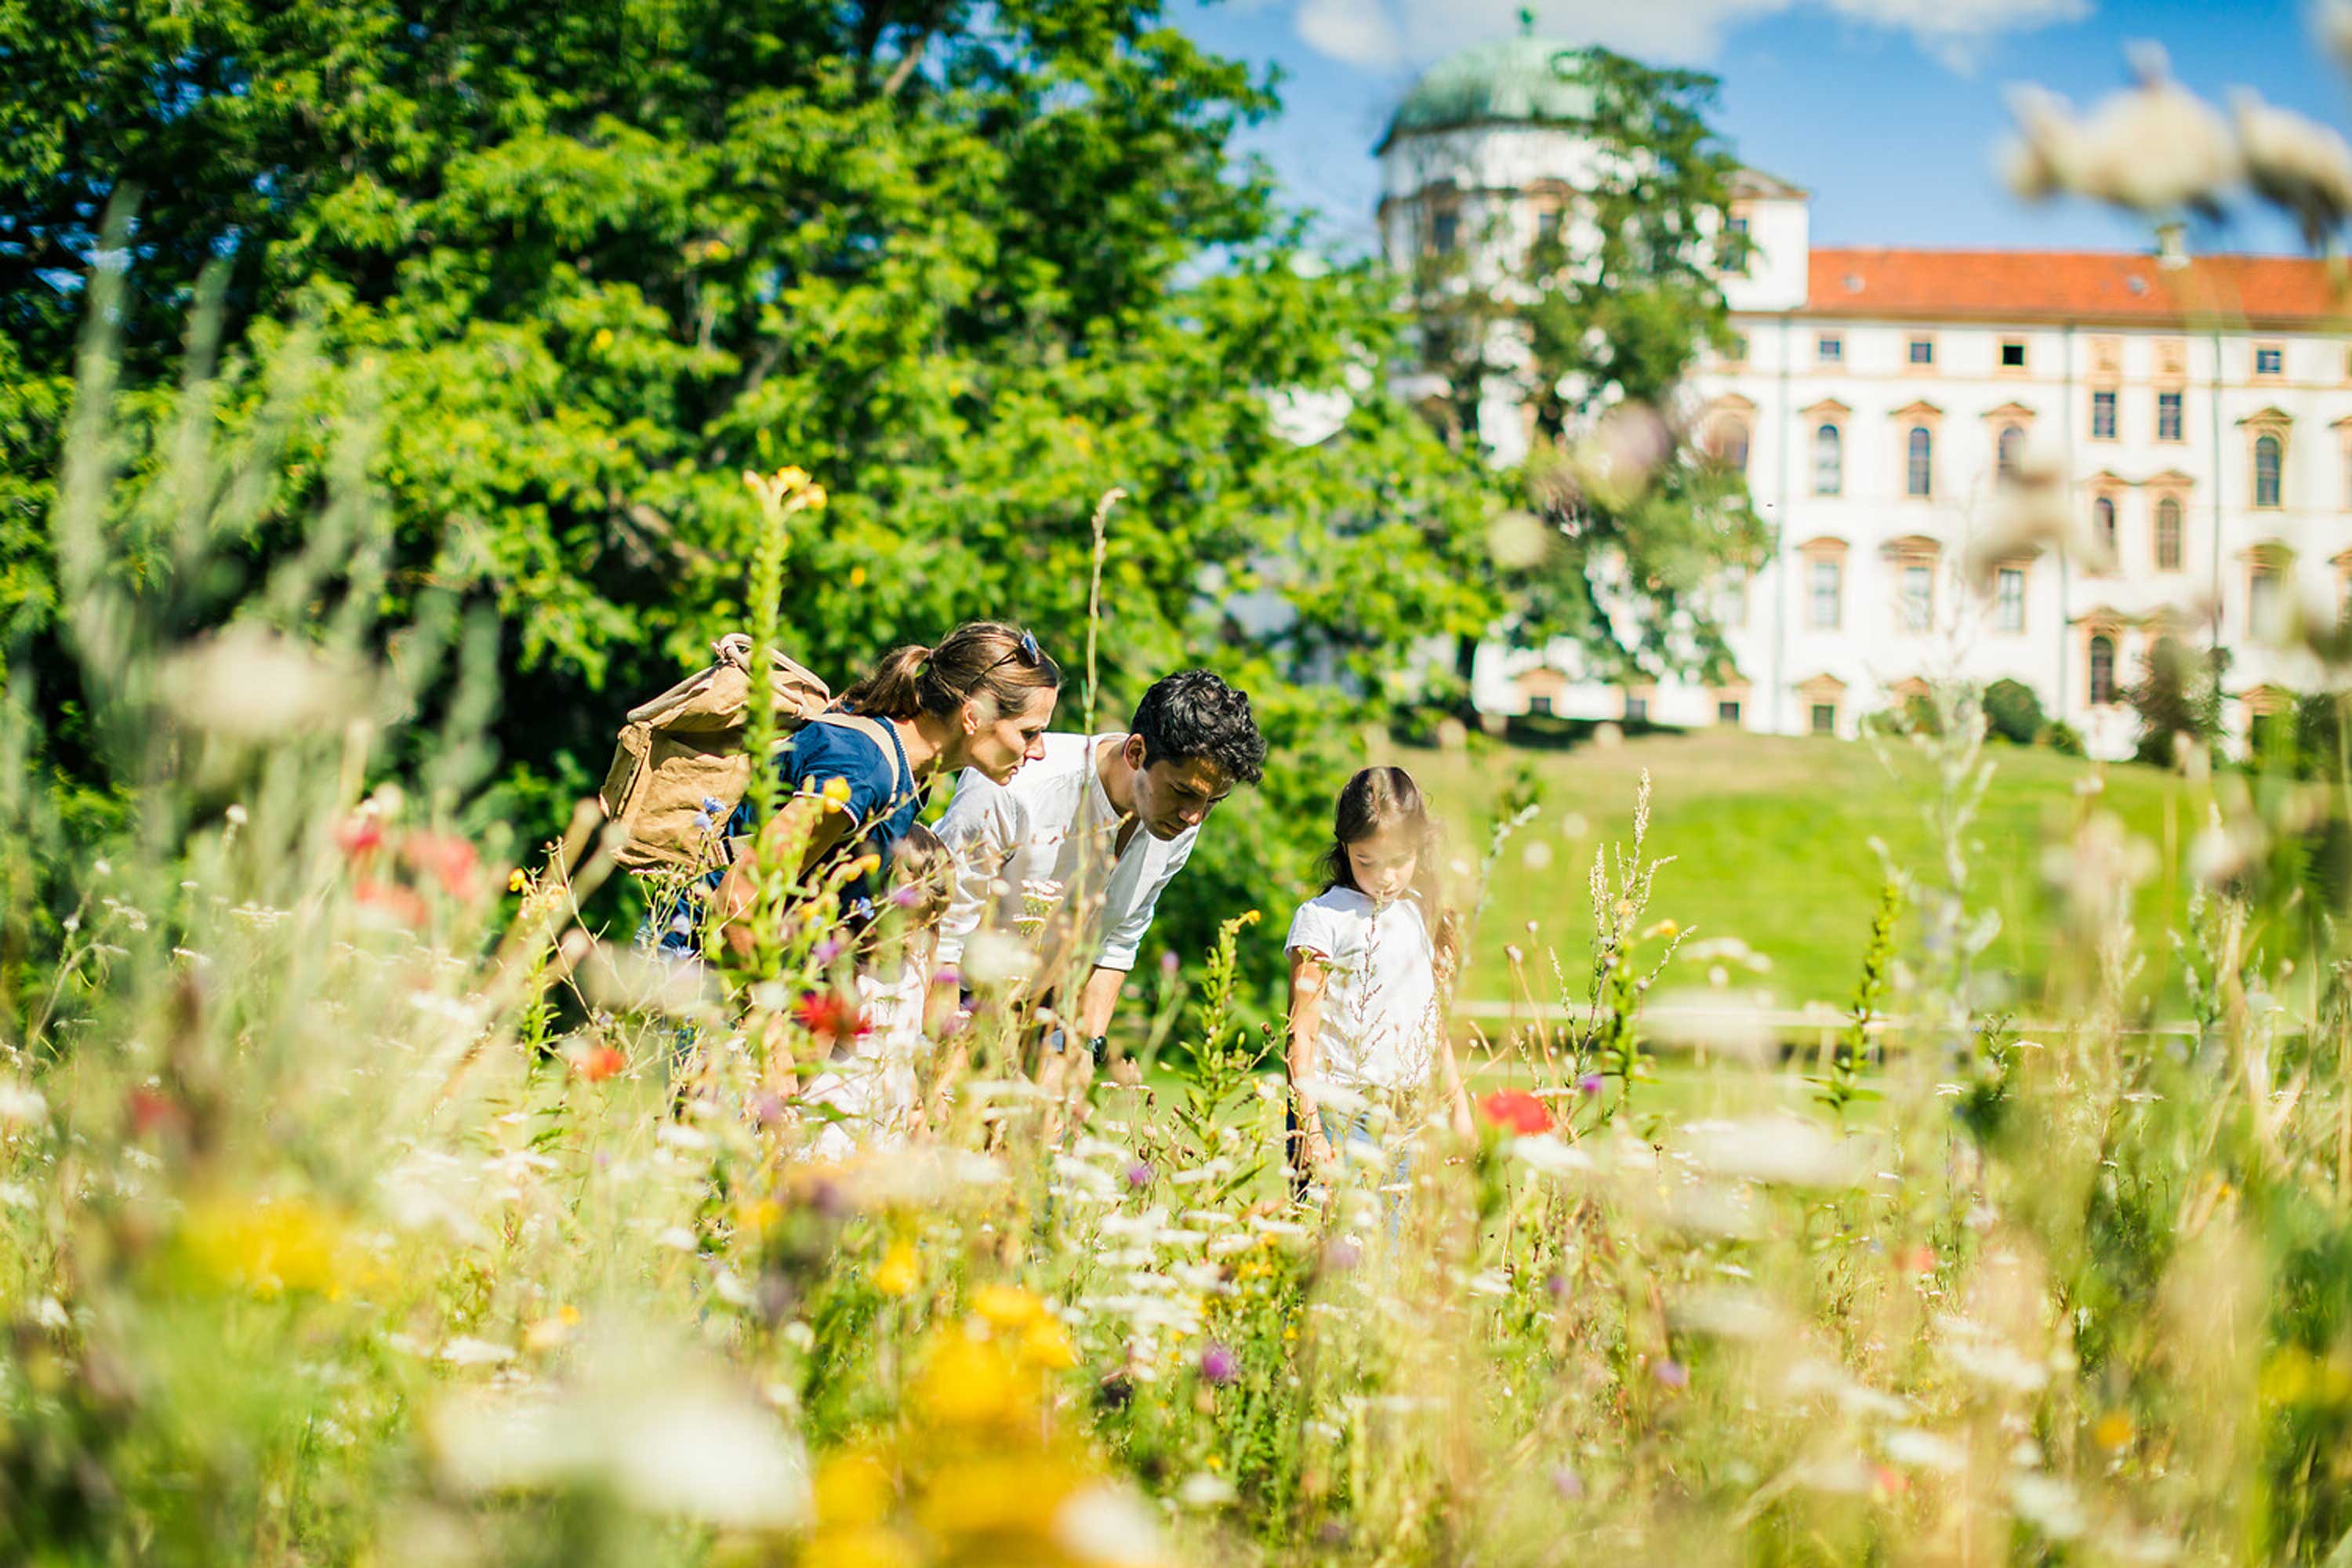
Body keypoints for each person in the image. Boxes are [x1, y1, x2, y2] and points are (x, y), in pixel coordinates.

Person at [931, 670, 1266, 1098]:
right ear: (1136, 751)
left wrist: (1077, 1053)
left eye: (1212, 801)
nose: (1194, 817)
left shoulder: (1177, 820)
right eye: (1184, 792)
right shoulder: (1015, 786)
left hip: (1042, 1016)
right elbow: (941, 930)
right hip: (946, 1002)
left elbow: (1118, 938)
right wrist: (957, 1056)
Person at [716, 621, 1060, 946]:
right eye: (1028, 732)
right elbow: (739, 898)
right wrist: (765, 1004)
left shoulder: (907, 768)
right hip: (692, 963)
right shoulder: (863, 770)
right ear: (973, 717)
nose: (1040, 751)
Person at [1283, 766, 1473, 1196]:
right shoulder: (1322, 920)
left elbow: (1433, 1026)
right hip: (1338, 1111)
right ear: (1345, 847)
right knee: (1336, 1247)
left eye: (1398, 862)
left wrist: (1459, 1107)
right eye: (1366, 861)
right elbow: (1302, 1035)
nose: (1384, 878)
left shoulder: (1422, 913)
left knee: (1393, 1251)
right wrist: (1309, 1127)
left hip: (1409, 1112)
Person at [797, 826, 953, 1159]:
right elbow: (810, 1063)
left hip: (883, 1139)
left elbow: (906, 1055)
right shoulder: (848, 973)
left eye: (924, 927)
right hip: (831, 1131)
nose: (911, 940)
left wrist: (919, 1114)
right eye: (903, 926)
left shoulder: (917, 969)